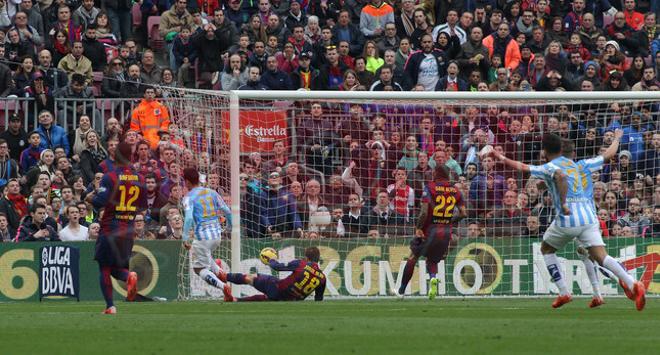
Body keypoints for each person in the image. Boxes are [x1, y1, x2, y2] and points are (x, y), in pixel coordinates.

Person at [491, 133, 646, 311]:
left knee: (546, 249)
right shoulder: (579, 165)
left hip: (568, 218)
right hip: (588, 217)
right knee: (601, 257)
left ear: (545, 151)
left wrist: (499, 156)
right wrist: (617, 137)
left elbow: (529, 168)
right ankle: (633, 283)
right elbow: (608, 154)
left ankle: (564, 291)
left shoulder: (550, 166)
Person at [86, 142, 147, 314]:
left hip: (110, 228)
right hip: (128, 230)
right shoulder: (140, 178)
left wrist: (89, 198)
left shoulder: (109, 176)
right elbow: (142, 205)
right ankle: (129, 276)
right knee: (116, 269)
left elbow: (100, 202)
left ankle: (110, 306)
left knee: (104, 267)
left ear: (115, 155)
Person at [395, 165, 466, 300]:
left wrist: (418, 228)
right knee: (432, 260)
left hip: (430, 230)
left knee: (412, 257)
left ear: (437, 173)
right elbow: (464, 213)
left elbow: (424, 212)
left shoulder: (430, 187)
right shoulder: (456, 191)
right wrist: (450, 220)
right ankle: (433, 278)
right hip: (446, 232)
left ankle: (401, 290)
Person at [182, 167, 232, 299]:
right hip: (217, 235)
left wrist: (185, 237)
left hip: (202, 237)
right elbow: (227, 211)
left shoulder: (188, 197)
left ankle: (223, 287)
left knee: (199, 269)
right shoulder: (212, 192)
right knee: (203, 254)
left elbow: (188, 218)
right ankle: (219, 271)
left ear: (187, 182)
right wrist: (229, 227)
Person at [221, 246, 326, 302]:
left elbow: (277, 267)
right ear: (318, 259)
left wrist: (272, 259)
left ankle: (225, 276)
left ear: (306, 258)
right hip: (291, 300)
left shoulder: (301, 264)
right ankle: (235, 300)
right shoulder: (322, 278)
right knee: (266, 298)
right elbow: (318, 299)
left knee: (250, 278)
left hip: (277, 288)